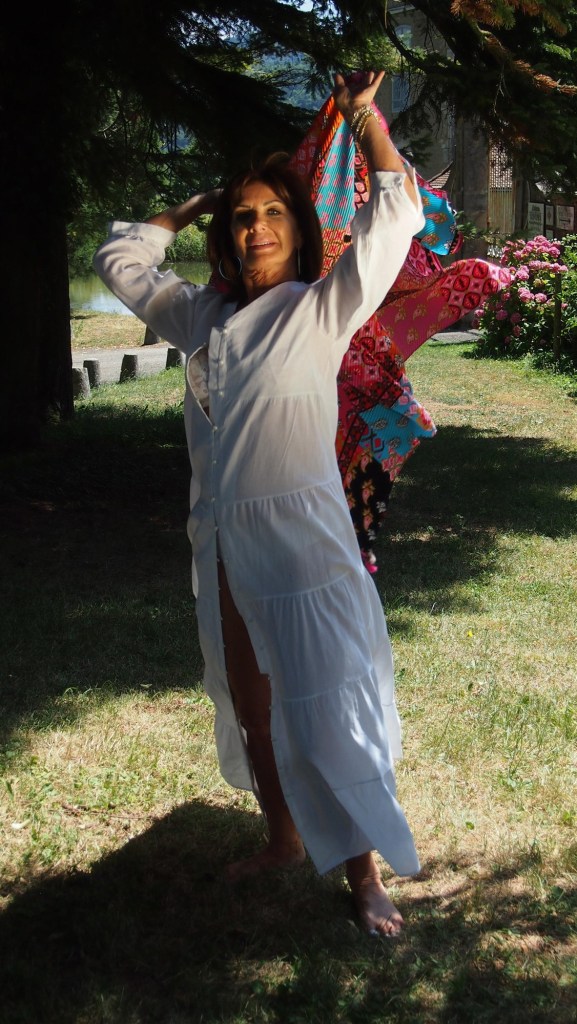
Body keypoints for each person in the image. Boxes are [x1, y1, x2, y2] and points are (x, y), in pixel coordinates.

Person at [94, 71, 425, 938]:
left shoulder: (319, 309)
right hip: (224, 546)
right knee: (253, 704)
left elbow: (395, 215)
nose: (257, 228)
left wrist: (362, 118)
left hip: (303, 544)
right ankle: (282, 837)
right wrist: (196, 203)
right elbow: (119, 261)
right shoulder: (199, 317)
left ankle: (363, 875)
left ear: (299, 230)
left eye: (273, 213)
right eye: (242, 216)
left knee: (326, 704)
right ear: (226, 235)